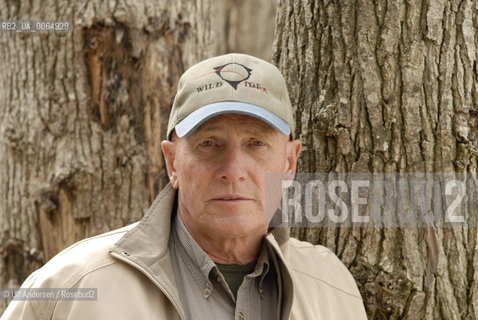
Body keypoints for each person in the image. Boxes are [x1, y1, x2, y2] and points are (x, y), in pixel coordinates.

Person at [1, 53, 367, 319]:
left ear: (289, 162)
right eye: (209, 144)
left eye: (256, 144)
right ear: (172, 161)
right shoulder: (73, 286)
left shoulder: (330, 285)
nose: (233, 169)